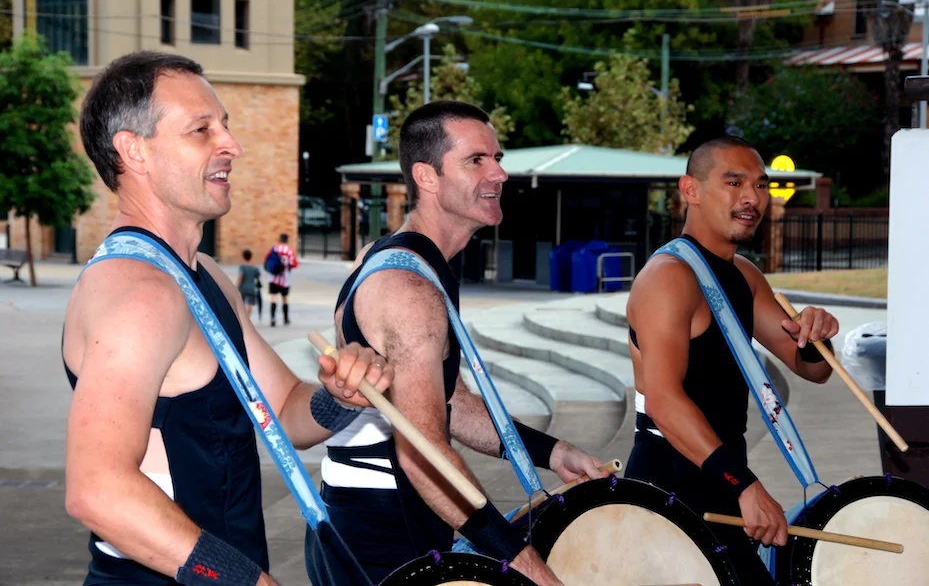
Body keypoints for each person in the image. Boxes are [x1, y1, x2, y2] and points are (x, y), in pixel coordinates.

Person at [63, 51, 394, 586]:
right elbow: (98, 489)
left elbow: (282, 410)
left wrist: (341, 395)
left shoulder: (205, 276)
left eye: (225, 125)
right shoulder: (141, 294)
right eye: (201, 130)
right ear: (133, 151)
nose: (231, 145)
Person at [305, 101, 606, 586]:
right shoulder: (409, 290)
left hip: (372, 517)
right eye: (476, 160)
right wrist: (528, 567)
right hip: (384, 531)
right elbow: (422, 453)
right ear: (427, 177)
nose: (499, 173)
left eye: (497, 158)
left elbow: (452, 404)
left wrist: (554, 453)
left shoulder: (403, 260)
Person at [623, 135, 840, 584]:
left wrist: (814, 335)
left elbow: (812, 370)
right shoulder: (668, 277)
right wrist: (742, 485)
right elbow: (663, 401)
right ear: (691, 189)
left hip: (722, 474)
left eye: (761, 185)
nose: (752, 198)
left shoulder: (744, 275)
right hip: (671, 483)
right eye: (734, 182)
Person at [266, 233, 298, 327]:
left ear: (279, 239)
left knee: (274, 297)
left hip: (273, 278)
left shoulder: (274, 249)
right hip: (285, 279)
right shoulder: (289, 251)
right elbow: (294, 264)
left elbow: (267, 259)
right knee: (285, 298)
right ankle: (286, 318)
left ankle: (273, 318)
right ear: (287, 240)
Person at [237, 248, 260, 319]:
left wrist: (237, 286)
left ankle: (242, 317)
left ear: (243, 257)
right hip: (252, 288)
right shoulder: (255, 268)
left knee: (242, 303)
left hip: (243, 287)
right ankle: (248, 317)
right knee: (250, 303)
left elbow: (241, 277)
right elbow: (257, 277)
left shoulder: (242, 267)